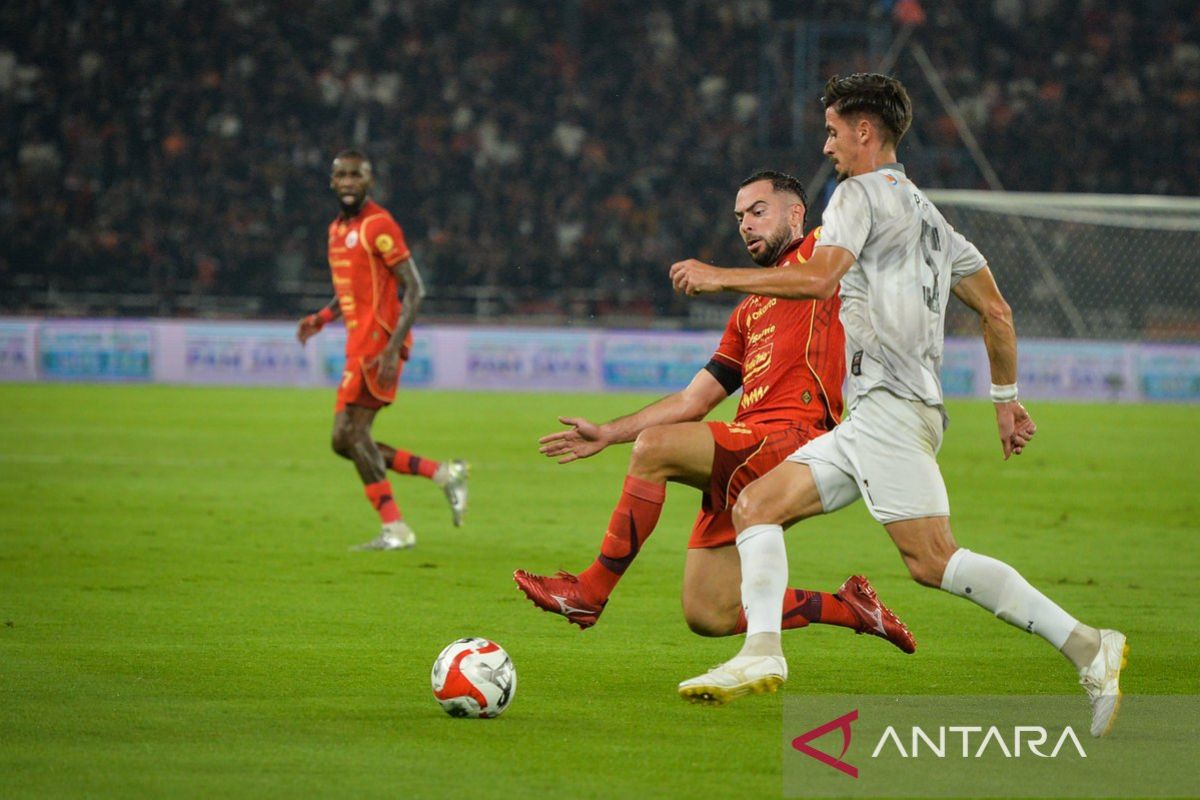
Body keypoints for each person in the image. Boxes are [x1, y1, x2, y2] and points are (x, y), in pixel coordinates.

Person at [669, 74, 1127, 737]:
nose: (826, 146)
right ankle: (760, 652)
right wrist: (1006, 400)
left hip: (890, 409)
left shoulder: (855, 196)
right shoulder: (928, 217)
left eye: (832, 131)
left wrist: (720, 277)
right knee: (756, 504)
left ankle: (1089, 645)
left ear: (864, 131)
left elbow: (820, 277)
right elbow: (996, 310)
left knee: (933, 560)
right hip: (885, 414)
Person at [514, 171, 915, 654]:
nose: (745, 224)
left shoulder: (821, 253)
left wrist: (718, 276)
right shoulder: (747, 312)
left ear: (795, 213)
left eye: (758, 211)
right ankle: (850, 607)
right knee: (709, 613)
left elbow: (859, 216)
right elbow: (692, 401)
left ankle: (590, 592)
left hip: (795, 439)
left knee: (657, 448)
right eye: (739, 217)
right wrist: (607, 433)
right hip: (745, 451)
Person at [297, 150, 468, 550]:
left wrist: (393, 348)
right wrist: (321, 318)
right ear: (332, 181)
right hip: (357, 343)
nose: (348, 182)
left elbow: (416, 288)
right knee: (344, 441)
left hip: (377, 345)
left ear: (369, 181)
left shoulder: (379, 224)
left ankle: (396, 529)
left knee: (353, 434)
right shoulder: (337, 230)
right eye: (341, 175)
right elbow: (349, 291)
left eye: (356, 175)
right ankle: (443, 474)